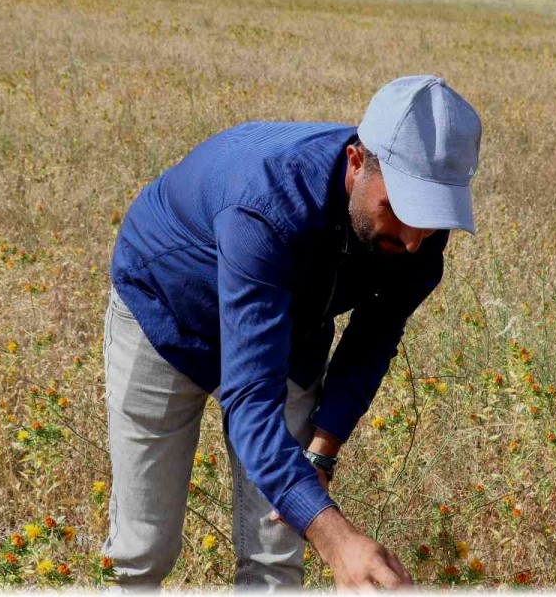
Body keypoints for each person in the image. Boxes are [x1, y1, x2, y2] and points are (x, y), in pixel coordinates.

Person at [102, 74, 482, 591]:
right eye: (397, 209)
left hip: (284, 326)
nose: (414, 240)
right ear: (356, 163)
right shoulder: (268, 205)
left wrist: (321, 454)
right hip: (167, 314)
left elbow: (371, 341)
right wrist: (337, 538)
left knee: (276, 557)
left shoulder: (417, 240)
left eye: (432, 219)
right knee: (143, 550)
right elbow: (250, 399)